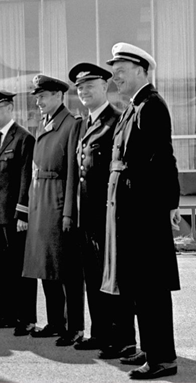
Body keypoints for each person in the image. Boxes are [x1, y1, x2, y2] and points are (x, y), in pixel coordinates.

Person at [102, 43, 181, 380]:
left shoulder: (151, 106)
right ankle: (150, 348)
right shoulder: (134, 108)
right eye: (114, 69)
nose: (115, 75)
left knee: (152, 289)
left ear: (141, 69)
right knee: (140, 288)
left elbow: (162, 160)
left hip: (145, 215)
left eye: (121, 69)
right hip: (132, 214)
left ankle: (163, 358)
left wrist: (168, 206)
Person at [68, 63, 137, 357]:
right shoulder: (87, 123)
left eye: (90, 86)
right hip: (88, 217)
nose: (84, 91)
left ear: (105, 87)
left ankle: (122, 338)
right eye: (80, 88)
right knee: (94, 279)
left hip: (108, 216)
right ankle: (100, 333)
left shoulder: (116, 121)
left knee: (114, 280)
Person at [23, 75, 85, 346]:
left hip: (58, 200)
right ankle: (55, 321)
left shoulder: (71, 124)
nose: (38, 102)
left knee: (67, 270)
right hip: (41, 199)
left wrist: (69, 211)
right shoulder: (46, 124)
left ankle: (74, 327)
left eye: (43, 96)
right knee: (46, 266)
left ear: (60, 96)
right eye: (37, 97)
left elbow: (73, 172)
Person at [0, 89, 37, 336]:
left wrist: (23, 213)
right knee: (2, 268)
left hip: (14, 216)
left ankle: (26, 318)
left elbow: (26, 178)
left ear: (11, 108)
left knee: (20, 269)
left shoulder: (23, 138)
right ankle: (6, 314)